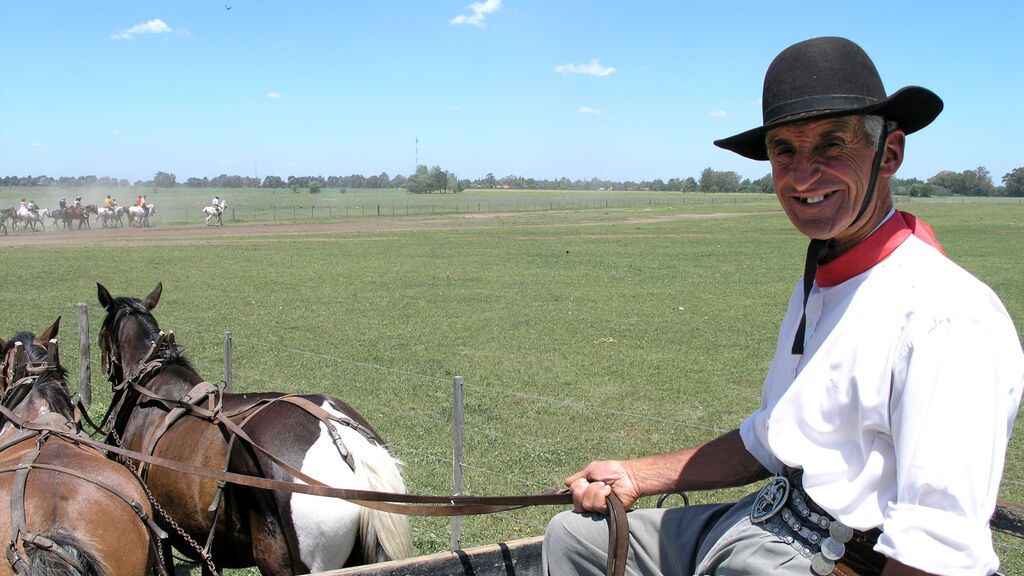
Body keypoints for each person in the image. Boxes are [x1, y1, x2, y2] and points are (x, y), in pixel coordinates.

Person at [543, 36, 1023, 576]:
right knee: (574, 538)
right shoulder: (821, 278)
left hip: (842, 555)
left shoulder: (945, 317)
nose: (800, 176)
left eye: (831, 145)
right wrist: (635, 475)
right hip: (767, 518)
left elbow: (936, 546)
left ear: (889, 154)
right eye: (784, 150)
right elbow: (771, 437)